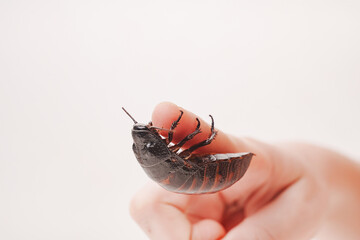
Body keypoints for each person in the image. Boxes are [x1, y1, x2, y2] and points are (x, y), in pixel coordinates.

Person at [130, 102, 360, 240]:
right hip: (204, 174)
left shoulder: (158, 156)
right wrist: (317, 178)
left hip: (201, 175)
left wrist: (318, 182)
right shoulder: (162, 153)